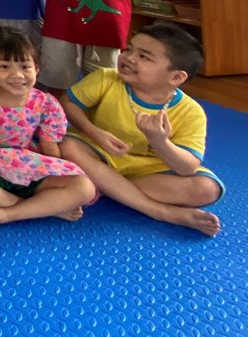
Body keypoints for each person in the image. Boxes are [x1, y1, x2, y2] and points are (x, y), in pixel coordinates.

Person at [60, 23, 223, 236]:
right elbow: (68, 103)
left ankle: (108, 186)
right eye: (129, 49)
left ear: (176, 77)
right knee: (68, 145)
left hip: (147, 172)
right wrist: (94, 132)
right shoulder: (105, 78)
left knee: (208, 189)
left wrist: (160, 141)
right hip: (98, 154)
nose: (129, 58)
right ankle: (160, 211)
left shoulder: (191, 111)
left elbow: (187, 168)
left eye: (144, 56)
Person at [0, 27, 94, 237]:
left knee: (85, 187)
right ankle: (42, 208)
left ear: (37, 68)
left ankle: (4, 214)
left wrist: (56, 173)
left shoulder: (44, 102)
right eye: (5, 66)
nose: (17, 75)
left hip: (26, 166)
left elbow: (50, 149)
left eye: (25, 66)